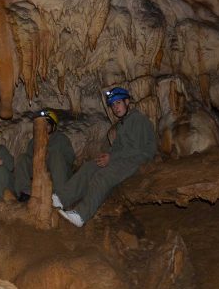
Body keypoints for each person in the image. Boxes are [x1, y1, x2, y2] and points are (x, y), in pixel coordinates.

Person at [53, 87, 156, 227]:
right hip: (124, 157)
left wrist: (111, 158)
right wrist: (108, 156)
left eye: (118, 103)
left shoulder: (138, 119)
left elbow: (136, 149)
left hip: (139, 159)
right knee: (89, 167)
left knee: (102, 176)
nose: (115, 107)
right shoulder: (122, 124)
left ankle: (81, 215)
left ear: (127, 101)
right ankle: (60, 198)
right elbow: (118, 148)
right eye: (113, 105)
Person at [13, 109, 75, 202]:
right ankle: (25, 192)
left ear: (53, 126)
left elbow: (70, 158)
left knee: (55, 155)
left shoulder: (61, 139)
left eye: (48, 124)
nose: (45, 127)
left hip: (58, 171)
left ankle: (59, 195)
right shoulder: (34, 141)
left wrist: (49, 154)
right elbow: (29, 159)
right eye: (43, 124)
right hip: (39, 169)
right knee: (23, 158)